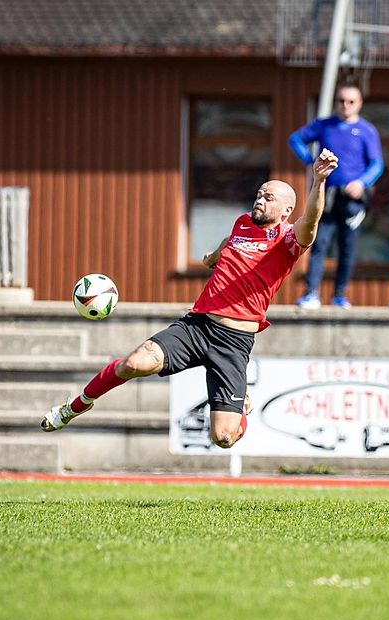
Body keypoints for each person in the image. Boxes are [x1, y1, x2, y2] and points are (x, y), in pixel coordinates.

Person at [40, 150, 340, 446]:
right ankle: (75, 406)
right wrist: (213, 257)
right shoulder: (243, 223)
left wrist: (318, 182)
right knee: (133, 363)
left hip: (233, 344)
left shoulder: (288, 240)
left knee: (223, 437)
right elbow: (231, 242)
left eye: (268, 197)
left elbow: (311, 220)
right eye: (259, 194)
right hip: (197, 327)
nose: (259, 199)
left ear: (286, 211)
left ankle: (242, 406)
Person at [288, 84, 384, 309]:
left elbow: (377, 164)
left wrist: (362, 183)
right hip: (326, 197)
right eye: (342, 101)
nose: (346, 105)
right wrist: (310, 160)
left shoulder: (367, 130)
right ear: (336, 102)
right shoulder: (324, 126)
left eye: (351, 101)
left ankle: (339, 296)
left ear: (359, 104)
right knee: (319, 243)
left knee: (347, 247)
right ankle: (311, 293)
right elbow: (295, 139)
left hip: (353, 200)